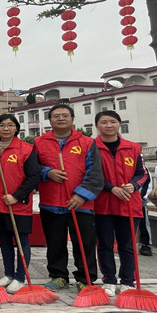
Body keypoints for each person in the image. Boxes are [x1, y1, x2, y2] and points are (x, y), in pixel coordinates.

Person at [34, 103, 103, 292]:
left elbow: (95, 172)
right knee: (55, 243)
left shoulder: (87, 142)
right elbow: (31, 168)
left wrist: (81, 195)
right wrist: (47, 172)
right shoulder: (39, 142)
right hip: (51, 203)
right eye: (56, 116)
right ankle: (58, 276)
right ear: (50, 120)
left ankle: (85, 278)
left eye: (65, 115)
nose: (61, 118)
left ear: (72, 119)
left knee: (84, 243)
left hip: (81, 205)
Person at [93, 110, 148, 297]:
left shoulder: (133, 147)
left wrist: (133, 185)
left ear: (119, 124)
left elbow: (142, 173)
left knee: (127, 245)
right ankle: (108, 279)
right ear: (97, 126)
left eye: (113, 121)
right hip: (103, 204)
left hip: (128, 203)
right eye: (104, 122)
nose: (109, 125)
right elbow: (90, 174)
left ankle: (127, 280)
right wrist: (111, 188)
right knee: (105, 244)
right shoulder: (91, 147)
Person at [0, 114, 40, 295]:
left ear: (16, 128)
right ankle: (8, 274)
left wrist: (16, 196)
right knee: (4, 241)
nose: (6, 128)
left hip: (18, 204)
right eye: (1, 125)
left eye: (10, 125)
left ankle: (20, 277)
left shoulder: (26, 149)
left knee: (21, 241)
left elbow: (33, 177)